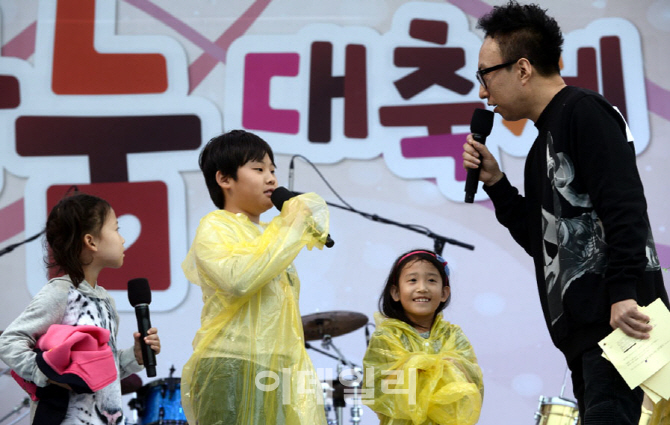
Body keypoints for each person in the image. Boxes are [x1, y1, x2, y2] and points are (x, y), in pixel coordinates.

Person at [461, 2, 669, 423]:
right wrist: (497, 184)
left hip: (619, 328)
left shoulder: (584, 112)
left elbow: (625, 204)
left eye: (485, 75)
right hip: (586, 337)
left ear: (522, 69)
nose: (482, 91)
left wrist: (624, 291)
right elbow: (544, 243)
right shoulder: (542, 145)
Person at [180, 129, 331, 425]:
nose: (272, 179)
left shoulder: (270, 234)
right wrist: (291, 226)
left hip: (279, 366)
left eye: (273, 170)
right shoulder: (215, 226)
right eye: (259, 169)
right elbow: (239, 280)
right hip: (230, 362)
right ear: (225, 179)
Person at [0, 192, 161, 425]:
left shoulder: (105, 300)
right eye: (116, 229)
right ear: (91, 241)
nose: (122, 239)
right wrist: (46, 373)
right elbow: (8, 341)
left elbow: (100, 374)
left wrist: (133, 357)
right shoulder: (61, 292)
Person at [362, 249, 484, 425]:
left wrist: (419, 367)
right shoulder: (387, 336)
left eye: (431, 280)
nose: (422, 288)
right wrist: (443, 366)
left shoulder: (453, 334)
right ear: (395, 292)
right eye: (412, 280)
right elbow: (378, 388)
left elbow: (472, 380)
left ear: (444, 293)